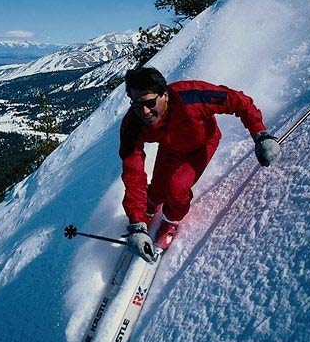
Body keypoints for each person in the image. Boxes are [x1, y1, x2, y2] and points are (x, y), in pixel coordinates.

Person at [120, 67, 280, 262]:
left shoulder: (192, 96)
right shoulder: (133, 124)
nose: (144, 111)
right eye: (137, 105)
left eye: (150, 103)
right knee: (155, 192)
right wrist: (137, 222)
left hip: (202, 145)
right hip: (170, 149)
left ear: (165, 95)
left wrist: (260, 134)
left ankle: (170, 220)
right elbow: (133, 172)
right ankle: (149, 208)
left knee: (176, 189)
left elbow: (239, 102)